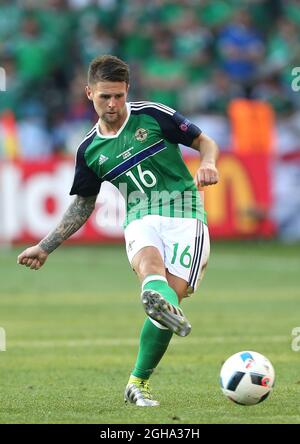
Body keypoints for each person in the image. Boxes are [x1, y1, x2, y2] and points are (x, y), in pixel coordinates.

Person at [17, 55, 219, 407]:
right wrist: (46, 246)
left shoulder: (154, 116)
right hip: (140, 216)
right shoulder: (90, 149)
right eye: (104, 97)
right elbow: (83, 205)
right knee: (150, 270)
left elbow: (206, 142)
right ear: (89, 93)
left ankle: (136, 381)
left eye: (118, 96)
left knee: (174, 294)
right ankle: (156, 298)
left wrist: (208, 163)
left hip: (185, 213)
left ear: (127, 91)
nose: (112, 105)